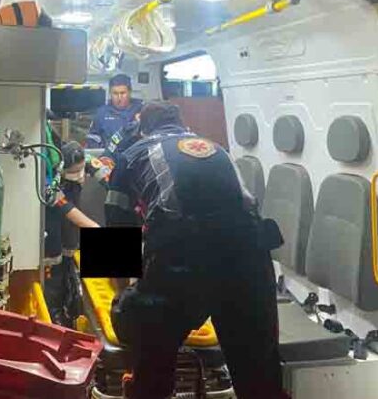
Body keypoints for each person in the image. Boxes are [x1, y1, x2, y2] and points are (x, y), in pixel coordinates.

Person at [104, 102, 287, 399]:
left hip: (181, 258)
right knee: (259, 373)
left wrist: (124, 296)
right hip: (250, 257)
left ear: (143, 130)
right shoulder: (217, 148)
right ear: (182, 125)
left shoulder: (132, 154)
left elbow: (115, 240)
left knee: (148, 350)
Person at [44, 140, 98, 328]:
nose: (80, 175)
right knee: (54, 273)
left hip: (70, 233)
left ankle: (69, 307)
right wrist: (94, 227)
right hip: (52, 229)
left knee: (69, 267)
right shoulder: (49, 181)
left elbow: (106, 174)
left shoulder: (83, 159)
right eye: (74, 172)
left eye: (81, 169)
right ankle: (54, 315)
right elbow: (66, 208)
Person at [85, 74, 143, 148]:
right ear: (110, 93)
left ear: (130, 92)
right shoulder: (102, 113)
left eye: (123, 93)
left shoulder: (141, 110)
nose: (119, 97)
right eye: (115, 93)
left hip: (135, 153)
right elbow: (92, 137)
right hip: (110, 153)